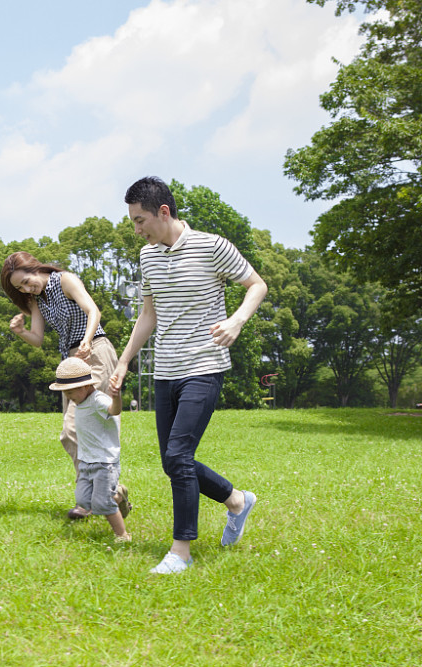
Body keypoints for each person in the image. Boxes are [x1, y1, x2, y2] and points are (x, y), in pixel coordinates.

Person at [109, 176, 268, 575]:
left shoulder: (212, 246)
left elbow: (256, 285)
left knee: (179, 455)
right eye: (133, 221)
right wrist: (125, 360)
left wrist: (237, 320)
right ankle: (236, 501)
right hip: (167, 369)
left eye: (140, 220)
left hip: (204, 365)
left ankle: (181, 550)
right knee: (172, 459)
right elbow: (149, 315)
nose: (137, 229)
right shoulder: (148, 257)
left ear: (164, 212)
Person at [1, 251, 120, 519]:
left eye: (27, 281)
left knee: (76, 430)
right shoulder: (36, 301)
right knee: (73, 434)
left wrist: (87, 341)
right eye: (20, 288)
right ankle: (102, 494)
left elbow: (93, 310)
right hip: (70, 365)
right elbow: (38, 339)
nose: (26, 288)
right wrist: (20, 332)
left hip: (94, 354)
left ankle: (97, 496)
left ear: (36, 268)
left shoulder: (65, 280)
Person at [49, 356, 131, 542]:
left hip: (104, 462)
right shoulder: (80, 401)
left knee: (102, 503)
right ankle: (118, 495)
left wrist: (116, 397)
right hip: (86, 461)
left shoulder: (97, 400)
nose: (68, 398)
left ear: (84, 386)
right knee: (84, 501)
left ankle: (123, 535)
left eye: (70, 393)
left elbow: (114, 411)